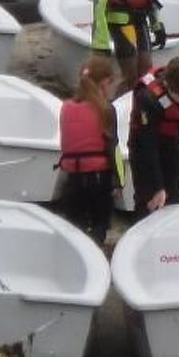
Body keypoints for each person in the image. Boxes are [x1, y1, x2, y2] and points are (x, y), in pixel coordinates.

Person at [56, 56, 120, 245]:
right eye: (111, 84)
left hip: (72, 175)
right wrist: (117, 182)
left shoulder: (66, 107)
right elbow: (112, 148)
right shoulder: (106, 109)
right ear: (104, 83)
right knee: (100, 223)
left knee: (76, 225)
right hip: (99, 176)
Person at [129, 56, 179, 212]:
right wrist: (158, 187)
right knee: (150, 203)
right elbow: (147, 147)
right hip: (145, 150)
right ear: (169, 86)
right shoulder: (148, 99)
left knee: (177, 197)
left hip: (172, 145)